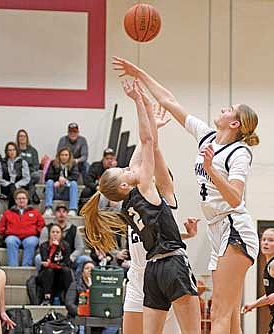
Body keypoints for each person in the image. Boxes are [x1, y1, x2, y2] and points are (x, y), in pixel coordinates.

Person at [112, 56, 260, 334]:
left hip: (235, 227)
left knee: (219, 314)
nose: (223, 109)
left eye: (229, 110)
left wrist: (211, 170)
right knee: (230, 320)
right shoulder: (206, 137)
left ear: (235, 124)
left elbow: (236, 199)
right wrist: (139, 73)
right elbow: (169, 101)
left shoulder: (240, 153)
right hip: (218, 229)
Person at [81, 79, 200, 334]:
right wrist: (141, 103)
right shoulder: (146, 188)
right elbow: (147, 144)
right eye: (123, 170)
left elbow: (144, 150)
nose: (128, 168)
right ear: (123, 185)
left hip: (153, 271)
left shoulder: (127, 205)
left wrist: (152, 125)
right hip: (166, 267)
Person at [38, 204, 91, 279]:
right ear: (55, 214)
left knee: (85, 259)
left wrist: (70, 258)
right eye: (59, 211)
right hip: (50, 258)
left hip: (69, 258)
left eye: (64, 211)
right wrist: (50, 258)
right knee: (38, 258)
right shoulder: (47, 229)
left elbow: (80, 247)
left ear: (67, 214)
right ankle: (41, 281)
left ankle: (77, 283)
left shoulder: (74, 229)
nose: (61, 214)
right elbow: (42, 246)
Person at [65, 261, 118, 334]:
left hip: (98, 316)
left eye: (92, 268)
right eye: (87, 268)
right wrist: (80, 311)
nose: (90, 270)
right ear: (82, 272)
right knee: (83, 325)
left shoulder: (101, 286)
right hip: (80, 316)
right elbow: (69, 304)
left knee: (113, 326)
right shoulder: (75, 285)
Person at [0, 189, 45, 267]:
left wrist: (36, 232)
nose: (21, 200)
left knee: (31, 242)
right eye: (19, 198)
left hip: (30, 236)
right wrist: (5, 233)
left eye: (23, 198)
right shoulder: (8, 213)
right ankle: (13, 267)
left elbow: (41, 225)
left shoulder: (35, 212)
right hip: (13, 236)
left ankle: (26, 266)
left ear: (27, 200)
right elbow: (1, 226)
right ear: (15, 200)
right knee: (10, 241)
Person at [37, 224, 73, 305]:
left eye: (57, 232)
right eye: (53, 232)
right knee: (49, 270)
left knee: (66, 271)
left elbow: (66, 263)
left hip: (60, 274)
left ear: (61, 234)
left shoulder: (66, 246)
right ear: (49, 234)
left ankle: (68, 297)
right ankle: (47, 298)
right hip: (46, 275)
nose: (55, 234)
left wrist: (54, 265)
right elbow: (46, 262)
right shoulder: (44, 246)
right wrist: (53, 248)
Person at [44, 147, 79, 217]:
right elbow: (47, 176)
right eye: (62, 155)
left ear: (69, 156)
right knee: (49, 182)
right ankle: (48, 208)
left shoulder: (73, 164)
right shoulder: (53, 163)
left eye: (66, 155)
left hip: (67, 192)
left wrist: (64, 180)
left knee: (74, 183)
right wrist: (58, 179)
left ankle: (73, 209)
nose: (64, 157)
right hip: (55, 191)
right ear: (59, 156)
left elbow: (75, 176)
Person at [0, 142, 31, 209]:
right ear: (7, 152)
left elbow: (26, 178)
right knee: (12, 188)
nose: (12, 152)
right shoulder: (2, 162)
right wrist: (8, 184)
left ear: (16, 151)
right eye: (10, 150)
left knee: (14, 190)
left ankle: (11, 210)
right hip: (5, 186)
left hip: (19, 186)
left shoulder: (23, 162)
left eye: (14, 150)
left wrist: (16, 185)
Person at [16, 129, 41, 204]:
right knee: (28, 181)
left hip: (30, 173)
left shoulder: (33, 151)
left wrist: (28, 171)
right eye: (20, 136)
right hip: (19, 173)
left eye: (24, 136)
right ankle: (31, 195)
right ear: (17, 138)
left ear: (27, 138)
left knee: (36, 175)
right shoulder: (15, 150)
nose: (22, 138)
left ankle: (28, 194)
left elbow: (36, 165)